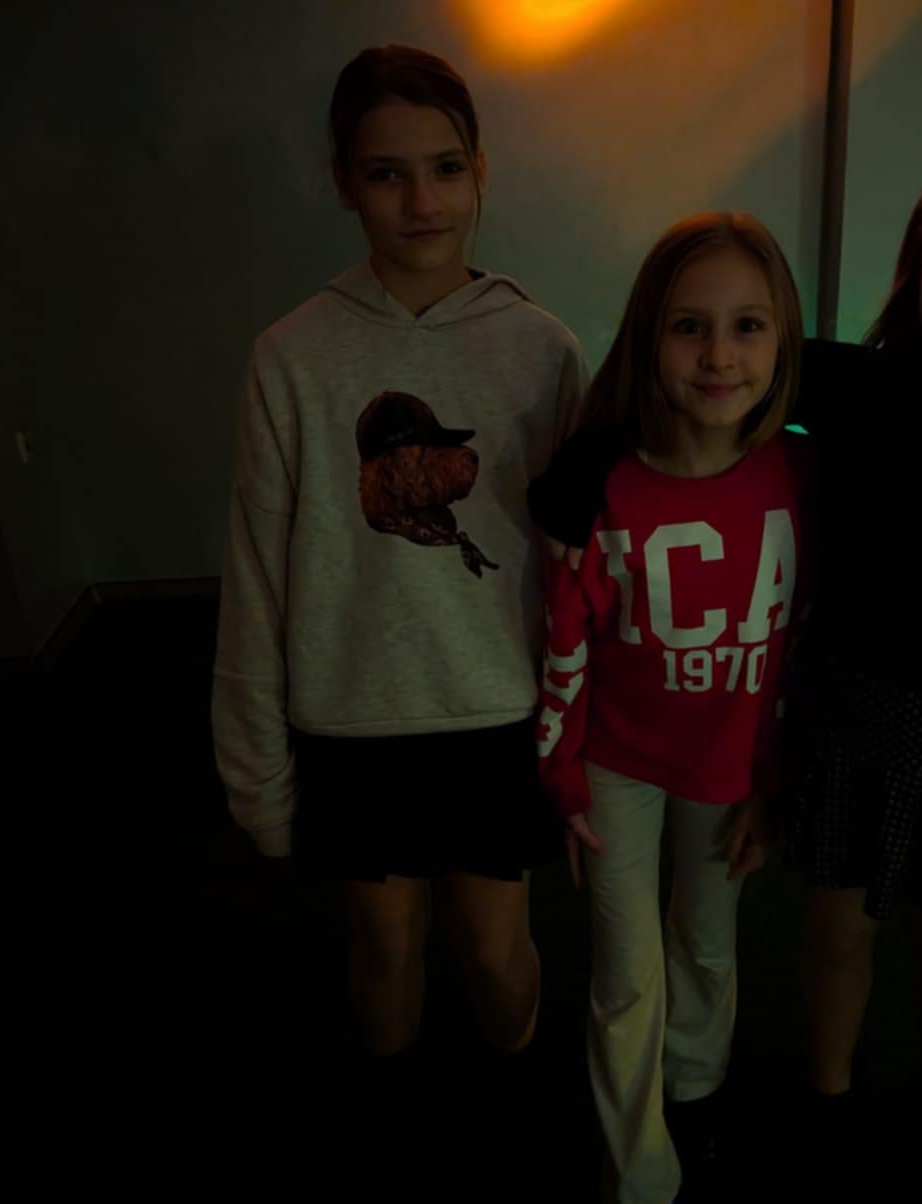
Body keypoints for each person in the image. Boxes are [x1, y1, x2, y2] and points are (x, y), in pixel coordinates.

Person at [529, 116, 922, 1202]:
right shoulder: (856, 388)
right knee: (836, 933)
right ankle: (823, 1106)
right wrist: (585, 466)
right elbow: (688, 373)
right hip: (845, 727)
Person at [210, 44, 586, 1200]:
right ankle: (393, 1111)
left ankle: (514, 1094)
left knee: (494, 941)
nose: (421, 200)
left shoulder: (542, 349)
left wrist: (584, 744)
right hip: (354, 722)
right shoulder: (290, 358)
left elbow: (580, 569)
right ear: (343, 181)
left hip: (496, 715)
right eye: (386, 173)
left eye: (444, 167)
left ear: (480, 171)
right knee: (382, 942)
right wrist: (257, 769)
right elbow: (256, 575)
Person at [535, 211, 813, 1204]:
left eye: (748, 326)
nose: (719, 355)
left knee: (705, 941)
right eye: (689, 326)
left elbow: (798, 653)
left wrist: (774, 781)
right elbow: (565, 641)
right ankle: (638, 1165)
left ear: (783, 339)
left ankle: (694, 1092)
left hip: (729, 771)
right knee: (626, 970)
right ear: (649, 337)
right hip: (616, 763)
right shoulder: (603, 490)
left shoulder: (801, 478)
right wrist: (562, 773)